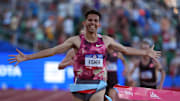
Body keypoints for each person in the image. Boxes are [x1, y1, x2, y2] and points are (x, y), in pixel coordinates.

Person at [8, 10, 161, 101]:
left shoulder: (106, 41)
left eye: (96, 21)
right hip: (80, 84)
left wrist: (145, 52)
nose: (93, 23)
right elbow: (53, 51)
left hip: (99, 84)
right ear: (85, 23)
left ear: (99, 24)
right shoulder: (75, 41)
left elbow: (125, 50)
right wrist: (27, 57)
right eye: (90, 20)